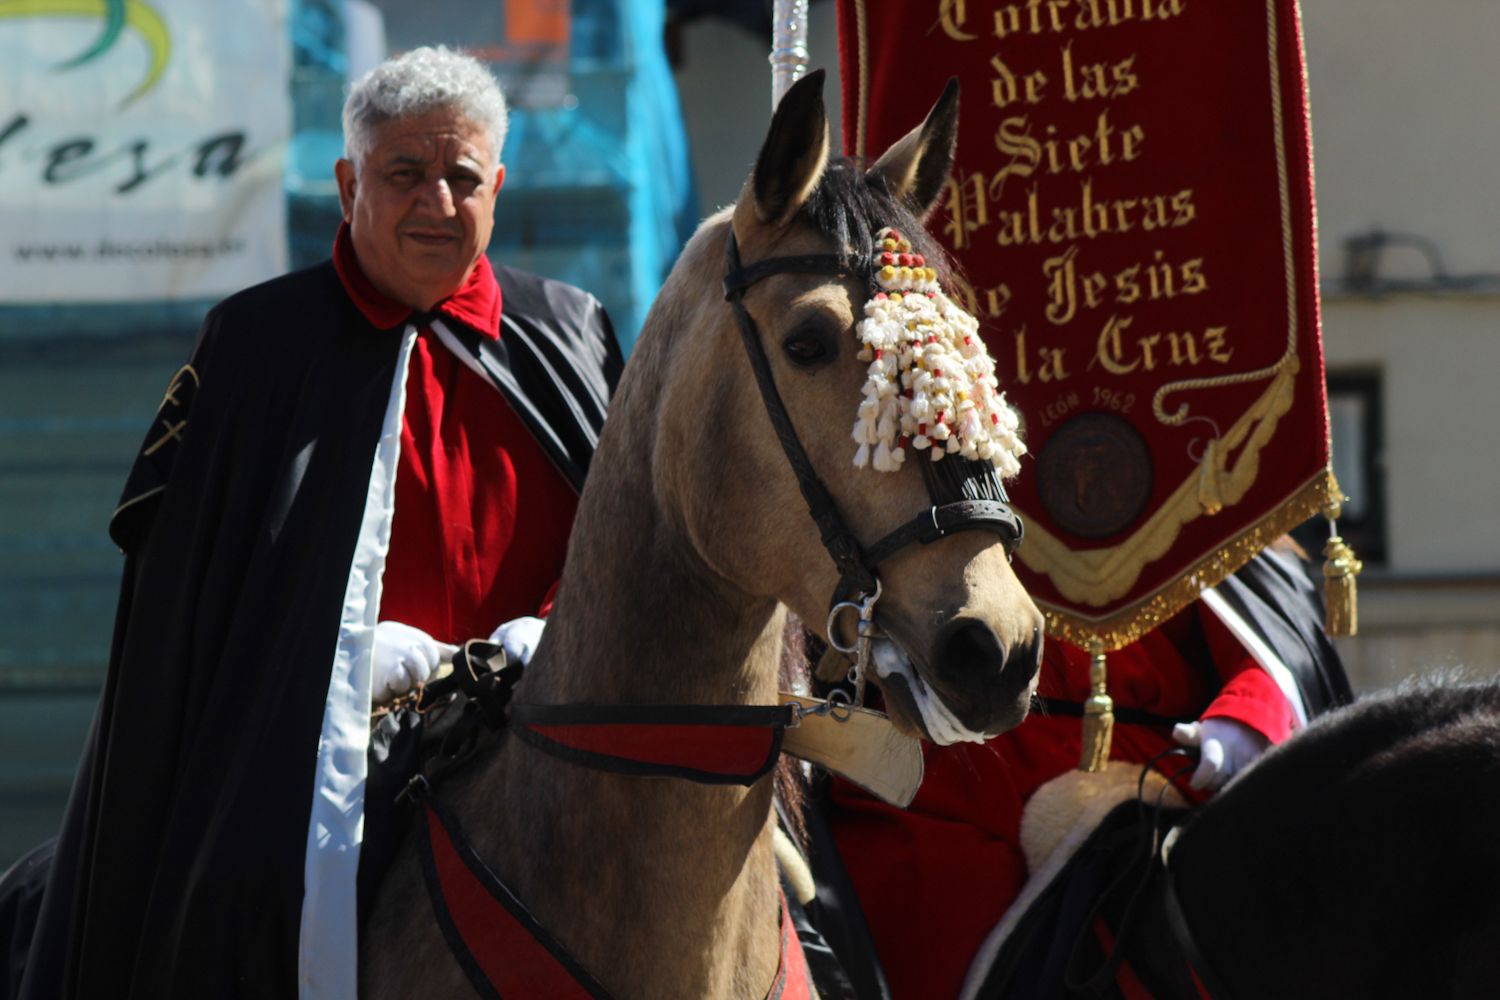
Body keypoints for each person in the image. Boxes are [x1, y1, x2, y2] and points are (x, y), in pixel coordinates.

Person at [7, 45, 623, 1000]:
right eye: (403, 175)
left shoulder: (569, 329)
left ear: (497, 188)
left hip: (548, 727)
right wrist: (336, 667)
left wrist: (552, 631)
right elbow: (189, 602)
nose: (437, 203)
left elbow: (626, 537)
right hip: (310, 754)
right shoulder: (256, 344)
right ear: (347, 184)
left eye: (462, 178)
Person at [820, 540, 1352, 1000]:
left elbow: (1267, 642)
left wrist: (1247, 718)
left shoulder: (1190, 469)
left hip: (1155, 768)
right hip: (944, 776)